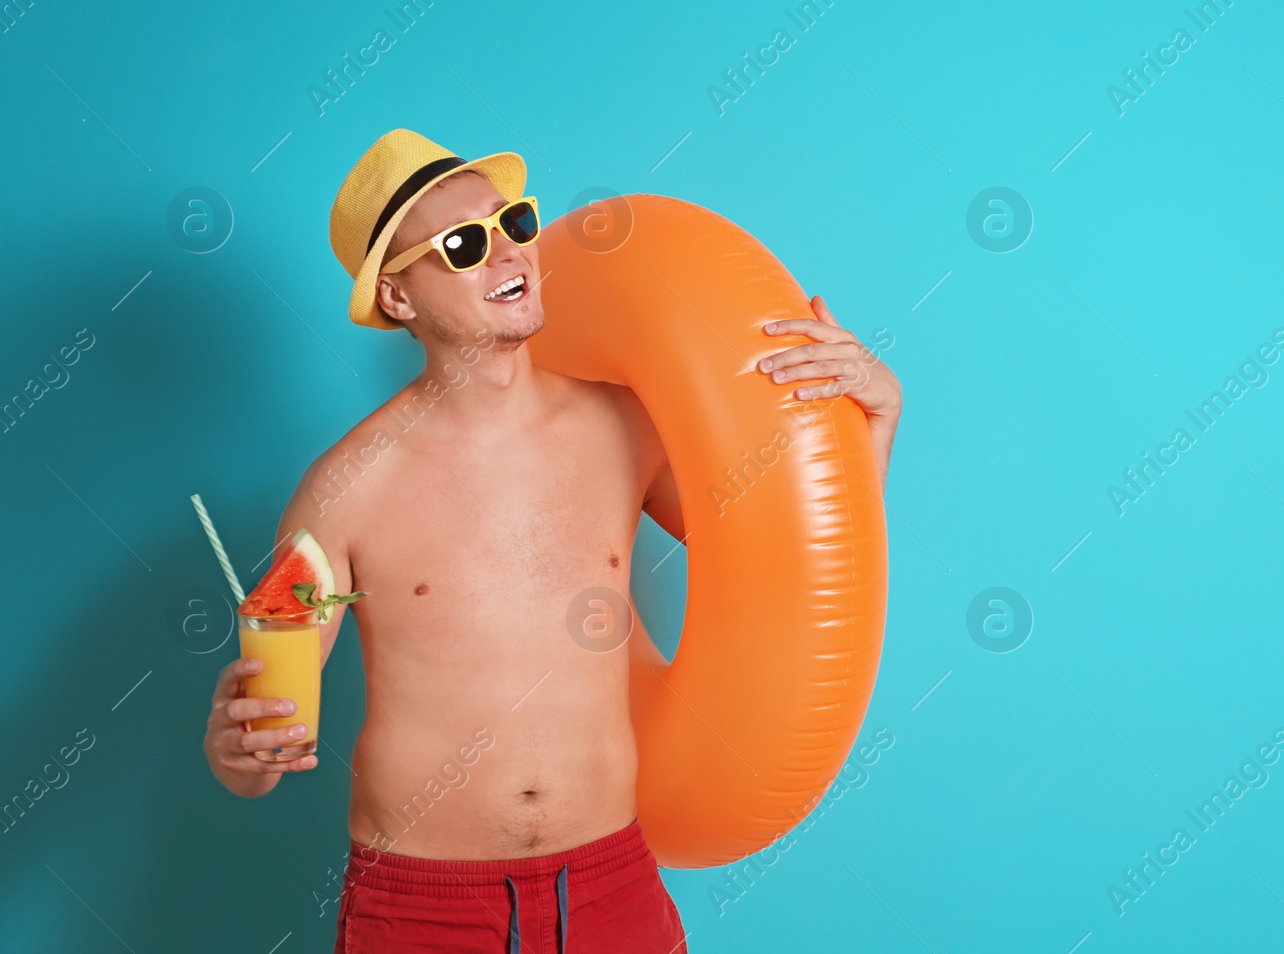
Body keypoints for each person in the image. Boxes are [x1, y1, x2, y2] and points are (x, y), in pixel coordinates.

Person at [201, 129, 903, 953]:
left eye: (516, 224)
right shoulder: (345, 487)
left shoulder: (625, 426)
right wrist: (239, 752)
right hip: (424, 907)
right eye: (465, 244)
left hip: (611, 887)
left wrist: (877, 417)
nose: (508, 253)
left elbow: (790, 557)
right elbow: (263, 734)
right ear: (398, 298)